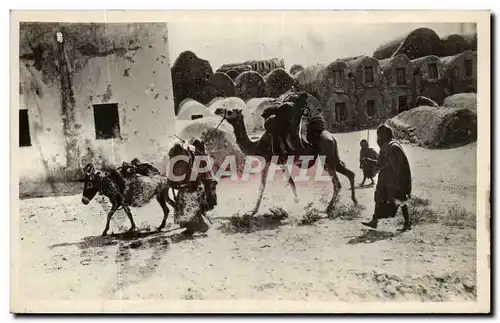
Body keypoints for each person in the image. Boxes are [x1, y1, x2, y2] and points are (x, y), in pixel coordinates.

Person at [361, 124, 412, 232]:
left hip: (395, 180)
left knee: (399, 200)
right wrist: (370, 161)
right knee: (379, 197)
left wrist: (379, 167)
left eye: (379, 136)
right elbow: (383, 163)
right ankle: (374, 221)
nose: (378, 138)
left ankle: (407, 223)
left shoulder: (393, 147)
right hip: (386, 179)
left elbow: (394, 165)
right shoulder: (387, 146)